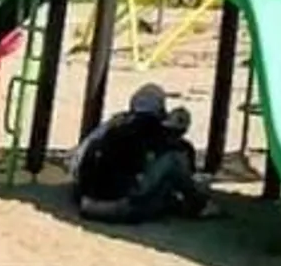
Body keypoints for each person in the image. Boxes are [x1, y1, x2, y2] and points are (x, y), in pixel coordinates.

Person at [72, 83, 212, 224]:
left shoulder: (114, 124)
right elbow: (178, 150)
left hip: (86, 200)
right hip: (118, 205)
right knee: (174, 161)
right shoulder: (153, 127)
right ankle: (199, 205)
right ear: (160, 108)